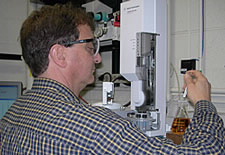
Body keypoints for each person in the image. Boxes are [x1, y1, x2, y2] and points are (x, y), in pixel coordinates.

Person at [0, 3, 224, 154]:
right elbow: (207, 151)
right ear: (59, 54)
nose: (97, 58)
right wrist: (203, 103)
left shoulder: (12, 115)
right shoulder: (94, 127)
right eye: (90, 47)